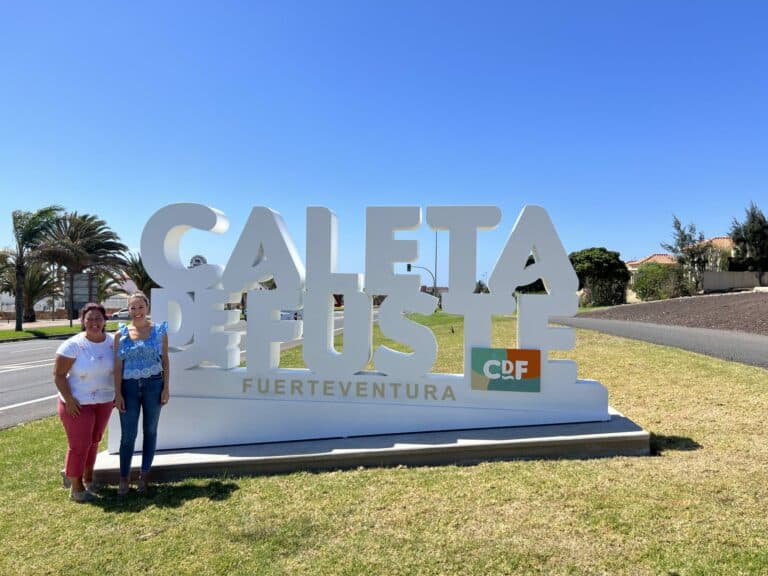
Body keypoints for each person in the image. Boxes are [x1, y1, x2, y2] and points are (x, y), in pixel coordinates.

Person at [54, 303, 115, 503]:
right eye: (89, 319)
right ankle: (76, 487)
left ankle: (89, 479)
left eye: (98, 318)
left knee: (94, 441)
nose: (94, 322)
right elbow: (59, 375)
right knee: (79, 445)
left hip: (104, 401)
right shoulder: (73, 345)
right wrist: (69, 400)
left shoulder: (113, 342)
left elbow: (119, 370)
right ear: (83, 321)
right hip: (77, 403)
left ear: (105, 320)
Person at [114, 291, 169, 495]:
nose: (137, 311)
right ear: (128, 310)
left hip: (154, 385)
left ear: (147, 308)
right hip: (128, 387)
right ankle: (124, 478)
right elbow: (117, 366)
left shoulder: (159, 331)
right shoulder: (121, 334)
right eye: (133, 307)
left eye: (141, 307)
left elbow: (165, 361)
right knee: (128, 434)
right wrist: (118, 393)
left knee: (150, 431)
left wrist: (166, 387)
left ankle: (144, 476)